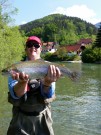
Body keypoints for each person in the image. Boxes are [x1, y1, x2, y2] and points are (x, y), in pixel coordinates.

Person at [7, 36, 61, 135]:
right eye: (29, 45)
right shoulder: (16, 67)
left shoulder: (50, 66)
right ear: (25, 49)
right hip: (20, 120)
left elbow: (48, 95)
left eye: (36, 45)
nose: (33, 47)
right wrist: (22, 82)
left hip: (43, 119)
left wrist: (48, 83)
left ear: (41, 49)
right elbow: (15, 94)